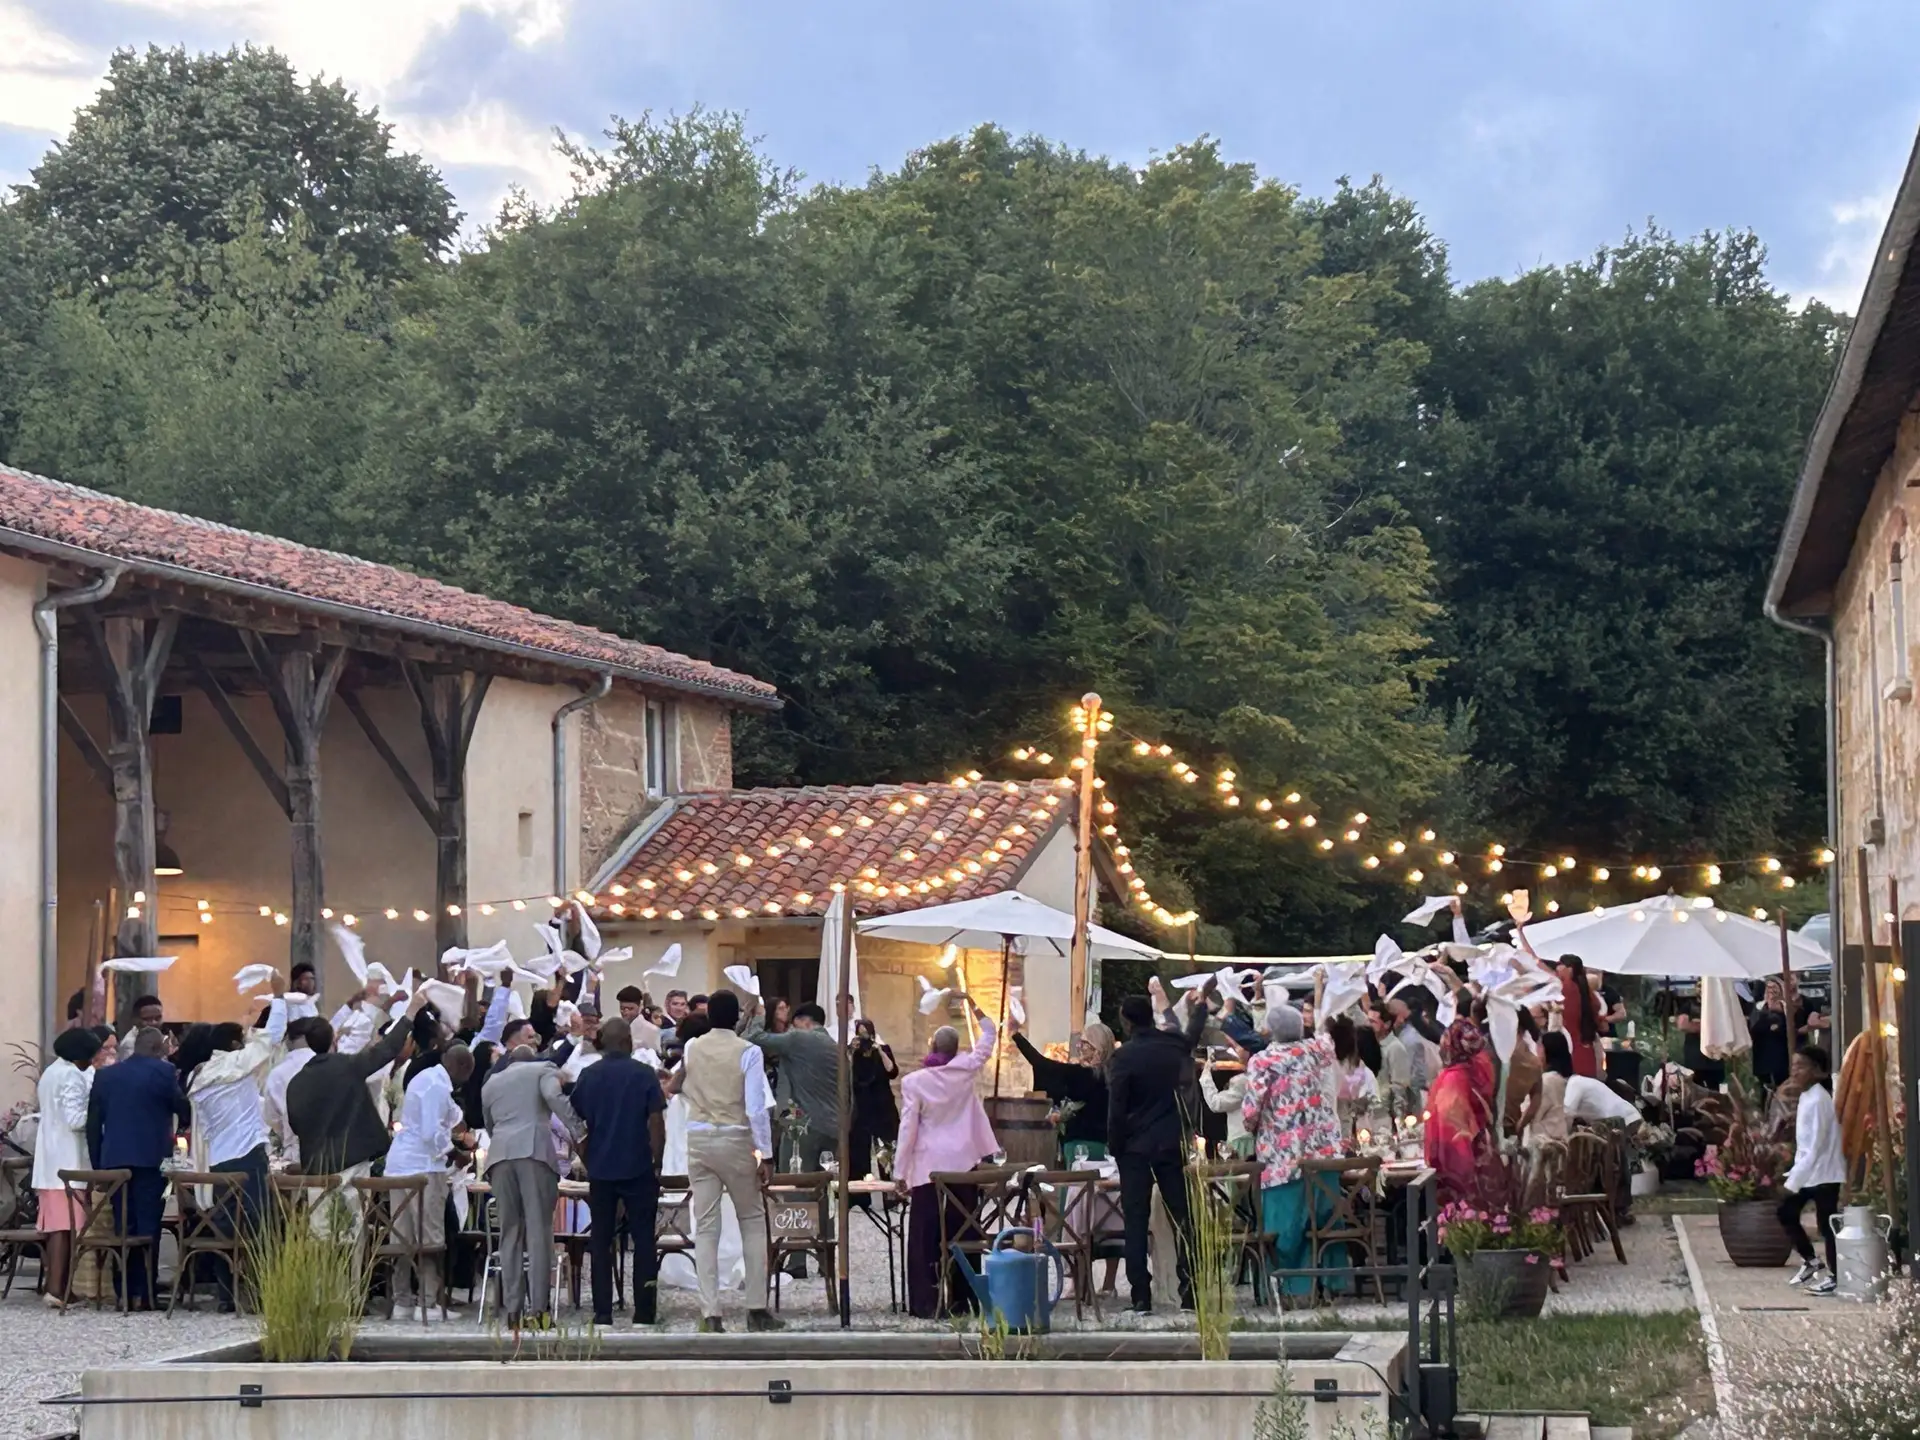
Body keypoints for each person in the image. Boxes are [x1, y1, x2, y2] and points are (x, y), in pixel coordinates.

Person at [286, 989, 429, 1231]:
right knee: (351, 1232)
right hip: (352, 1159)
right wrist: (411, 1012)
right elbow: (388, 1049)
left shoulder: (297, 1082)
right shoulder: (348, 1066)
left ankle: (322, 1270)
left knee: (321, 1232)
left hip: (317, 1166)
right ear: (334, 1039)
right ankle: (352, 1270)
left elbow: (295, 1124)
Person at [680, 990, 781, 1332]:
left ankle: (711, 1312)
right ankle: (755, 1307)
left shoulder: (692, 1047)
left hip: (698, 1138)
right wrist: (765, 1153)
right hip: (735, 1137)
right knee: (752, 1219)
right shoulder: (748, 1051)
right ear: (737, 1017)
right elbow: (756, 1107)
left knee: (706, 1227)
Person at [185, 981, 289, 1308]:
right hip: (248, 1157)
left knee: (226, 1231)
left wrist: (248, 1024)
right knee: (261, 1228)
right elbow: (272, 1037)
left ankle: (227, 1296)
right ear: (233, 1044)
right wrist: (280, 997)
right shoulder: (235, 1066)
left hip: (218, 1162)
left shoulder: (197, 1076)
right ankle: (262, 1294)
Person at [1107, 986, 1209, 1314]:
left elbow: (1117, 1107)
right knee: (1182, 1216)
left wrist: (1116, 1146)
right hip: (1169, 1140)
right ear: (1151, 1016)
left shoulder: (1123, 1057)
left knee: (1135, 1220)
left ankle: (1140, 1294)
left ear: (1126, 1021)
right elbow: (1192, 1035)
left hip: (1135, 1147)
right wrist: (1201, 1009)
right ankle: (1190, 1289)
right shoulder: (1172, 1045)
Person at [893, 999, 998, 1318]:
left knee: (925, 1235)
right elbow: (989, 1036)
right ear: (955, 1049)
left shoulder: (914, 1083)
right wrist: (976, 1008)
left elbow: (908, 1127)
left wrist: (899, 1171)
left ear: (931, 1046)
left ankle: (926, 1302)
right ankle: (965, 1299)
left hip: (928, 1167)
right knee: (964, 1230)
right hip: (964, 1162)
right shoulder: (966, 1068)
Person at [569, 1017, 668, 1326]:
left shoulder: (589, 1075)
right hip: (637, 1164)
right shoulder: (644, 1075)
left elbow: (576, 1119)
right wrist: (657, 1161)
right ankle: (644, 1311)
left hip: (601, 1166)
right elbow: (655, 1122)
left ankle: (602, 1312)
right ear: (627, 1041)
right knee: (644, 1240)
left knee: (600, 1240)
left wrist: (586, 1156)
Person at [1242, 1004, 1343, 1298]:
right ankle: (1328, 1283)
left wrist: (1253, 1126)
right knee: (1324, 1219)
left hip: (1280, 1156)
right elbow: (1326, 1035)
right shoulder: (1316, 1050)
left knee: (1284, 1224)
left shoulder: (1263, 1061)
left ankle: (1286, 1285)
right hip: (1321, 1152)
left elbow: (1250, 1112)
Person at [85, 1026, 190, 1307]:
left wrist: (99, 1165)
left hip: (115, 1161)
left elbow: (93, 1124)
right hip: (151, 1159)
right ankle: (145, 1294)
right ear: (159, 1049)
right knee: (148, 1225)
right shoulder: (164, 1073)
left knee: (123, 1225)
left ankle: (124, 1293)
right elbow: (182, 1106)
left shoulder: (106, 1075)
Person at [481, 1041, 583, 1327]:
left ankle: (512, 1309)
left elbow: (489, 1124)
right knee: (539, 1230)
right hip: (534, 1152)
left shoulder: (492, 1082)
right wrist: (578, 1128)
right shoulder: (544, 1069)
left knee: (510, 1232)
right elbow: (554, 1097)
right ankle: (539, 1310)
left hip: (499, 1156)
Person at [385, 1042, 474, 1322]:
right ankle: (428, 1303)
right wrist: (455, 1154)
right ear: (461, 1067)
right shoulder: (437, 1086)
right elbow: (431, 1131)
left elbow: (449, 1118)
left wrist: (459, 1129)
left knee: (401, 1237)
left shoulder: (426, 1078)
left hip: (398, 1166)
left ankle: (402, 1302)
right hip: (424, 1167)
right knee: (431, 1238)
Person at [33, 1026, 102, 1306]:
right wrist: (97, 1111)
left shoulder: (51, 1072)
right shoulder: (72, 1075)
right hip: (68, 1161)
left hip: (50, 1161)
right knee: (67, 1228)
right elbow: (75, 1120)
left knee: (57, 1229)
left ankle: (56, 1286)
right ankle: (58, 1290)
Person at [745, 999, 840, 1173]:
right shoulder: (834, 1046)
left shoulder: (799, 1038)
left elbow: (754, 1037)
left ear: (806, 1022)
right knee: (824, 1184)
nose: (792, 1031)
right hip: (834, 1126)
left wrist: (759, 1016)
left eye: (796, 1026)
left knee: (795, 1180)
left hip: (803, 1124)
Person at [1779, 1044, 1845, 1295]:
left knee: (1826, 1225)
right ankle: (1811, 1260)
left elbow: (1815, 1147)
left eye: (1801, 1066)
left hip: (1824, 1173)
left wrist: (1792, 1182)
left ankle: (1836, 1277)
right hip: (1811, 1172)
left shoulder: (1818, 1099)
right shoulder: (1808, 1096)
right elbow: (1806, 1146)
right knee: (1786, 1212)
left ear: (1817, 1071)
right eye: (1793, 1066)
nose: (1795, 1071)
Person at [1008, 1011, 1112, 1164]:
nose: (1080, 1047)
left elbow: (1042, 1064)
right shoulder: (1115, 1075)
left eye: (1084, 1044)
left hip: (1080, 1145)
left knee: (1075, 1185)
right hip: (1106, 1144)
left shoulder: (1081, 1075)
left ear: (1096, 1048)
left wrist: (1016, 1036)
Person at [1424, 1019, 1504, 1210]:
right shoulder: (1478, 1071)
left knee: (1464, 1220)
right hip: (1482, 1151)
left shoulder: (1453, 1079)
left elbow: (1451, 1128)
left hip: (1461, 1163)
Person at [848, 1018, 900, 1183]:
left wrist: (880, 1050)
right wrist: (850, 1051)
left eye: (866, 1032)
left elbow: (892, 1071)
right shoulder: (853, 1052)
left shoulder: (882, 1049)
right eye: (860, 1032)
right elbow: (846, 1075)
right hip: (861, 1105)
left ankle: (890, 1191)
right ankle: (860, 1193)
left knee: (886, 1148)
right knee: (859, 1150)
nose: (864, 1036)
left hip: (882, 1104)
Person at [263, 1018, 316, 1164]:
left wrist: (285, 1134)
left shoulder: (278, 1073)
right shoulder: (330, 1064)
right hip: (335, 1149)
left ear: (287, 1040)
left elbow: (272, 1117)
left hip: (295, 1148)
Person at [1552, 954, 1604, 1079]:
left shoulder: (1567, 988)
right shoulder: (1586, 990)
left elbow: (1542, 970)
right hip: (1588, 1050)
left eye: (1560, 965)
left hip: (1571, 1051)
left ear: (1569, 969)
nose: (1557, 969)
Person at [1565, 1073, 1641, 1126]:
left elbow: (1567, 1116)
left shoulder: (1574, 1083)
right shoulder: (1580, 1081)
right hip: (1628, 1119)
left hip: (1625, 1122)